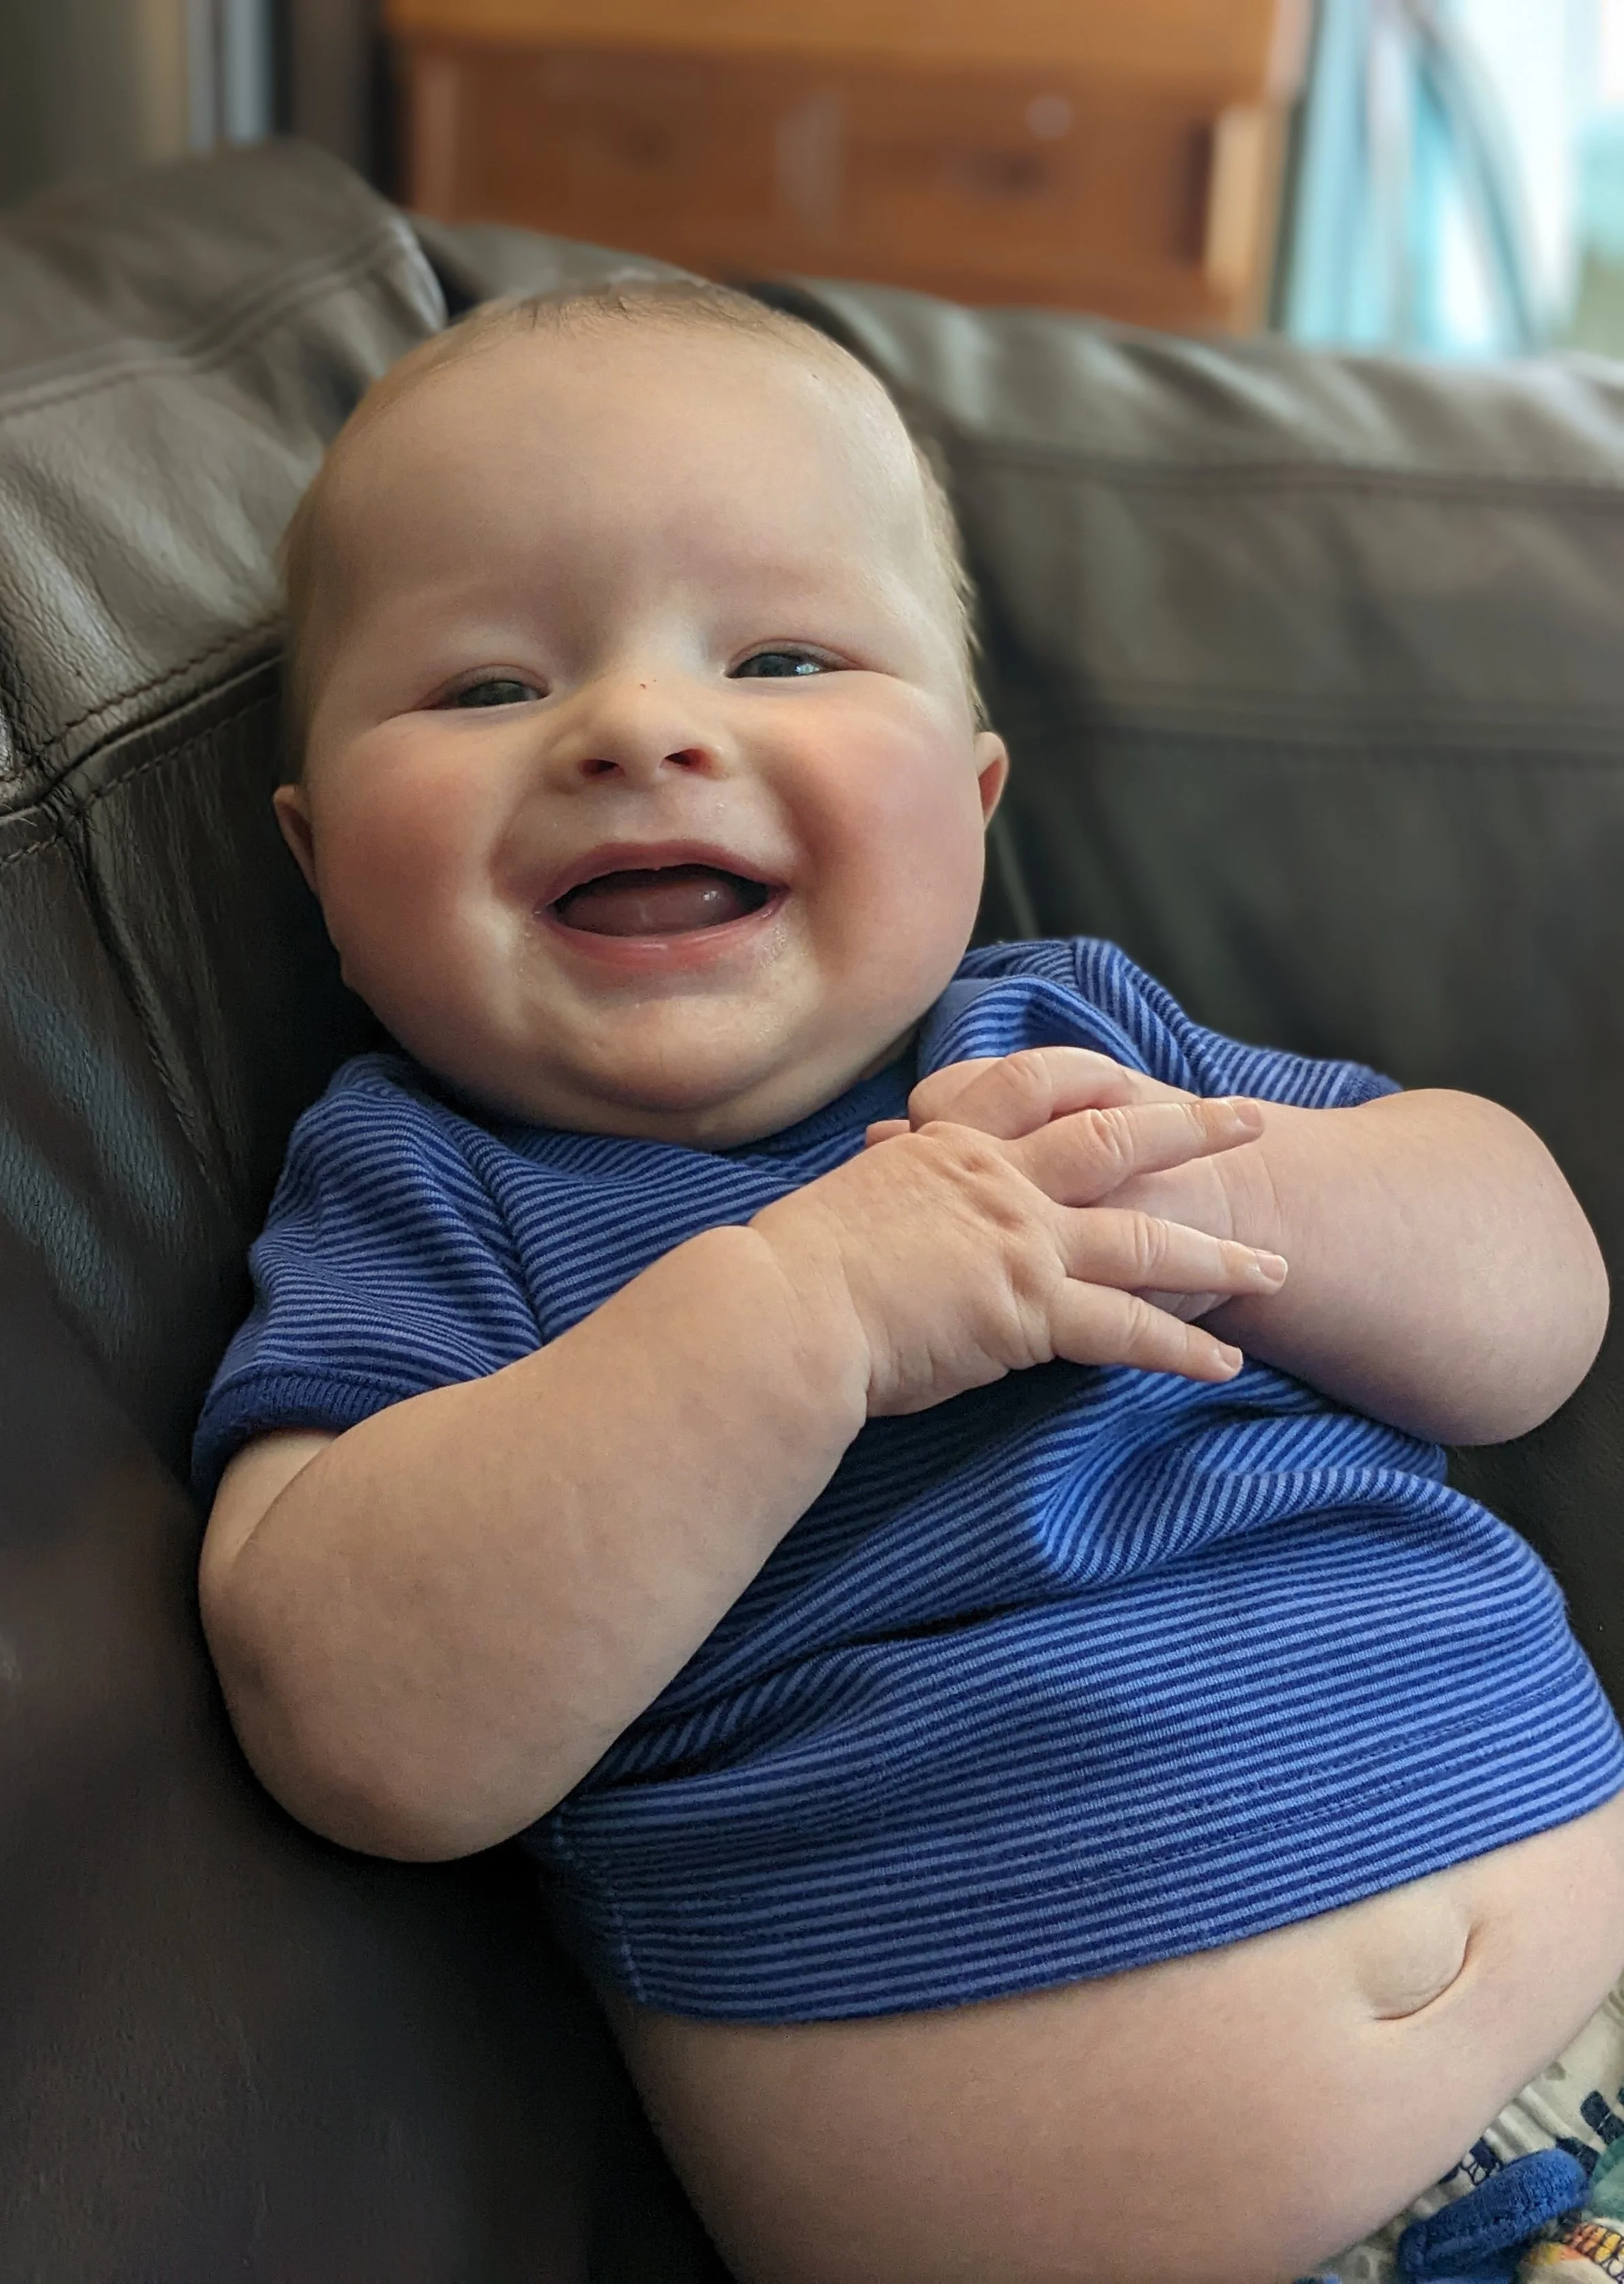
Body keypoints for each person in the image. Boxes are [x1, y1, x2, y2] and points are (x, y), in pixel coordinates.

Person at [193, 277, 1624, 2284]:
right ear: (320, 858)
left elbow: (1532, 1311)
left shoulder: (1075, 1041)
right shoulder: (431, 1192)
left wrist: (1258, 1185)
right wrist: (801, 1318)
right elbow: (355, 1716)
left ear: (966, 806)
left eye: (778, 651)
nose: (639, 725)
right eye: (489, 687)